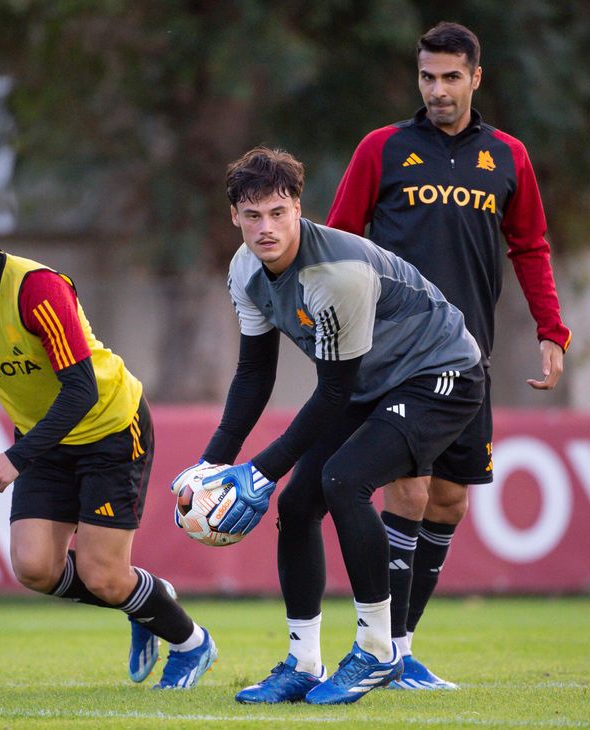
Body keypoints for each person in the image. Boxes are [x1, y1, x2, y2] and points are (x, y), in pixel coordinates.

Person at [186, 146, 484, 705]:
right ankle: (303, 663)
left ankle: (378, 650)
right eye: (252, 215)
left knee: (345, 481)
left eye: (278, 212)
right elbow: (253, 375)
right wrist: (215, 461)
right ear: (234, 217)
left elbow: (333, 393)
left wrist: (262, 469)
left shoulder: (336, 273)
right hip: (375, 382)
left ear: (298, 206)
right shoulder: (245, 268)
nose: (266, 227)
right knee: (297, 506)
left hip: (440, 373)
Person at [327, 22, 572, 689]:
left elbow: (531, 247)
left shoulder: (508, 157)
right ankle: (376, 647)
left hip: (469, 358)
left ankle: (398, 650)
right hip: (394, 353)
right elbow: (338, 239)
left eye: (450, 77)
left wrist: (553, 331)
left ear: (476, 78)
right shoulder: (383, 148)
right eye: (427, 77)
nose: (437, 90)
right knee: (405, 488)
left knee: (449, 502)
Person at [0, 187, 216, 689]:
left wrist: (17, 456)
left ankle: (190, 644)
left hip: (110, 428)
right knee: (33, 567)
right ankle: (147, 599)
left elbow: (80, 390)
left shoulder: (38, 289)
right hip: (45, 438)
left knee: (104, 576)